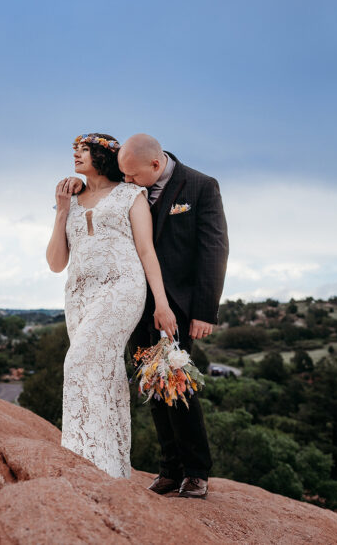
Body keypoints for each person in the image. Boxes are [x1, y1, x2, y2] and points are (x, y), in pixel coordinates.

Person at [67, 133, 228, 499]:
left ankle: (197, 471)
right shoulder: (130, 183)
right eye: (123, 175)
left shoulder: (201, 187)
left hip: (177, 307)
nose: (127, 182)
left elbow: (214, 249)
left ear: (155, 165)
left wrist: (204, 312)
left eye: (133, 176)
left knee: (176, 382)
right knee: (151, 386)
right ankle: (170, 469)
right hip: (133, 301)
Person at [46, 132, 177, 479]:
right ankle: (109, 466)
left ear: (103, 155)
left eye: (83, 149)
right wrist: (61, 213)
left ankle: (87, 458)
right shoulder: (69, 199)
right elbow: (56, 263)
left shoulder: (132, 195)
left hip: (121, 289)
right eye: (73, 149)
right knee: (103, 371)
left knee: (78, 362)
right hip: (78, 295)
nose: (75, 154)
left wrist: (160, 305)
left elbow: (147, 251)